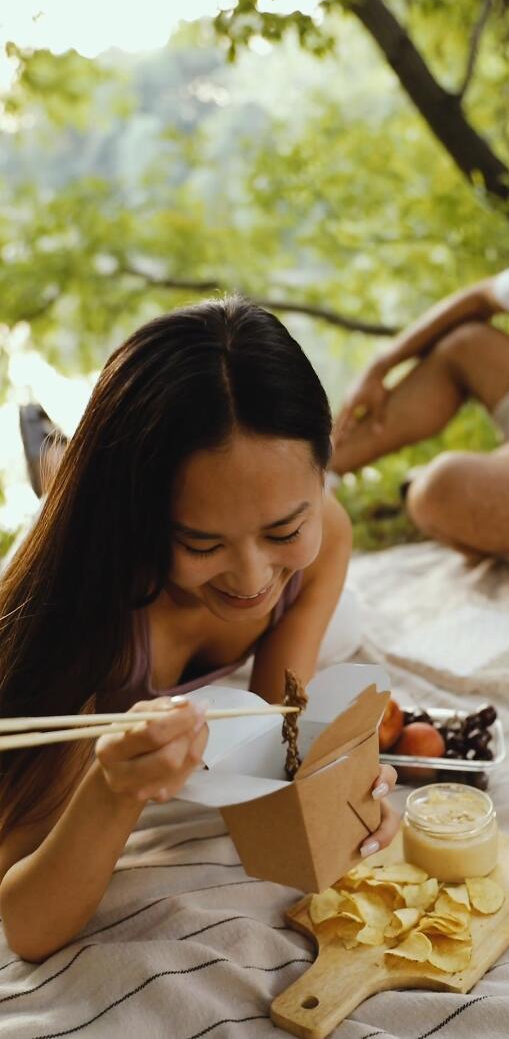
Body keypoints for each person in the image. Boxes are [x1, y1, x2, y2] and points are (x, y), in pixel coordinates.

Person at [0, 297, 398, 962]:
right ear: (140, 515)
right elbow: (27, 923)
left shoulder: (323, 534)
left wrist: (338, 784)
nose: (250, 579)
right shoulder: (80, 618)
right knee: (66, 484)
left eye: (282, 529)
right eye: (200, 541)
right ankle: (50, 450)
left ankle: (64, 454)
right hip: (87, 595)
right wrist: (115, 788)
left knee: (342, 623)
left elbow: (278, 725)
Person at [332, 89, 509, 566]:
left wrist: (466, 481)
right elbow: (477, 299)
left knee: (439, 490)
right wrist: (380, 364)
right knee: (466, 344)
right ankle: (314, 476)